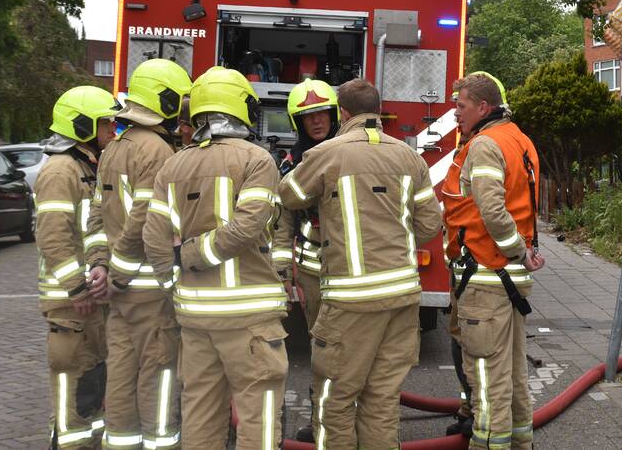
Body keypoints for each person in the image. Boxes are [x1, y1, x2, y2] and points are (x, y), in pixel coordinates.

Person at [278, 78, 443, 449]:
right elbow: (431, 223)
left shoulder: (327, 154)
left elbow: (289, 195)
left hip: (349, 302)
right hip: (402, 298)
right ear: (378, 110)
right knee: (382, 400)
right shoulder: (409, 157)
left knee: (334, 401)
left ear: (343, 113)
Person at [143, 66, 288, 449]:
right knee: (258, 420)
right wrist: (191, 255)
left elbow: (154, 238)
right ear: (241, 108)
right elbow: (247, 228)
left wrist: (174, 281)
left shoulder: (172, 166)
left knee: (200, 416)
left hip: (195, 319)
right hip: (250, 319)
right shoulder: (257, 160)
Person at [87, 58, 192, 450]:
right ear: (165, 100)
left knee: (121, 374)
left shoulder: (114, 148)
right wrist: (118, 272)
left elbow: (97, 215)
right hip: (149, 290)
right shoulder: (159, 151)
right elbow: (146, 221)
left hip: (121, 295)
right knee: (158, 376)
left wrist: (102, 266)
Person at [444, 72, 544, 450]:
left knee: (487, 380)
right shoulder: (519, 139)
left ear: (483, 107)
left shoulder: (485, 145)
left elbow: (492, 210)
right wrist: (524, 252)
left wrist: (516, 249)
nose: (456, 113)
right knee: (514, 376)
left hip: (486, 276)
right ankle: (520, 443)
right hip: (507, 278)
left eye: (461, 106)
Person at [35, 85, 119, 448]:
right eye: (106, 124)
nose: (112, 131)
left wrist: (96, 272)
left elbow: (91, 230)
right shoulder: (60, 171)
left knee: (89, 395)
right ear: (83, 126)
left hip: (85, 302)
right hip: (71, 306)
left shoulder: (85, 167)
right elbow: (53, 236)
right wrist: (77, 287)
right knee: (73, 406)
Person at [271, 78, 340, 444]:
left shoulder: (349, 153)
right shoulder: (293, 163)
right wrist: (282, 273)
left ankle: (346, 423)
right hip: (313, 272)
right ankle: (320, 424)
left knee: (355, 352)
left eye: (322, 113)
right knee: (322, 349)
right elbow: (283, 223)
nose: (317, 121)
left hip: (351, 272)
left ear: (334, 115)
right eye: (308, 116)